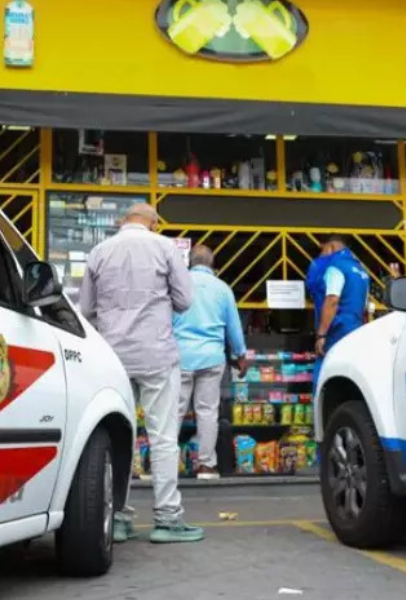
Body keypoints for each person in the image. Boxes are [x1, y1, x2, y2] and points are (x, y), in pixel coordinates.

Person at [80, 203, 204, 544]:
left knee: (120, 438)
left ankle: (117, 516)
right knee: (163, 438)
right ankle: (167, 518)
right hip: (157, 355)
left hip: (113, 359)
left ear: (123, 222)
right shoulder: (164, 247)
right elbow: (185, 300)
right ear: (152, 223)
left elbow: (86, 309)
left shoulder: (99, 252)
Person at [173, 245, 248, 480]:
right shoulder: (223, 289)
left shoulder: (178, 285)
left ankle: (163, 466)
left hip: (181, 356)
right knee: (207, 413)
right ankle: (206, 466)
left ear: (190, 262)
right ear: (212, 264)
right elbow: (234, 327)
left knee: (174, 411)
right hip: (212, 358)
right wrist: (241, 355)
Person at [305, 235, 370, 386]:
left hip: (337, 330)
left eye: (322, 251)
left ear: (330, 248)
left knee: (325, 376)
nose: (320, 256)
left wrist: (321, 335)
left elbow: (332, 300)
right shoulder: (362, 271)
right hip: (356, 330)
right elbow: (365, 307)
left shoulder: (335, 267)